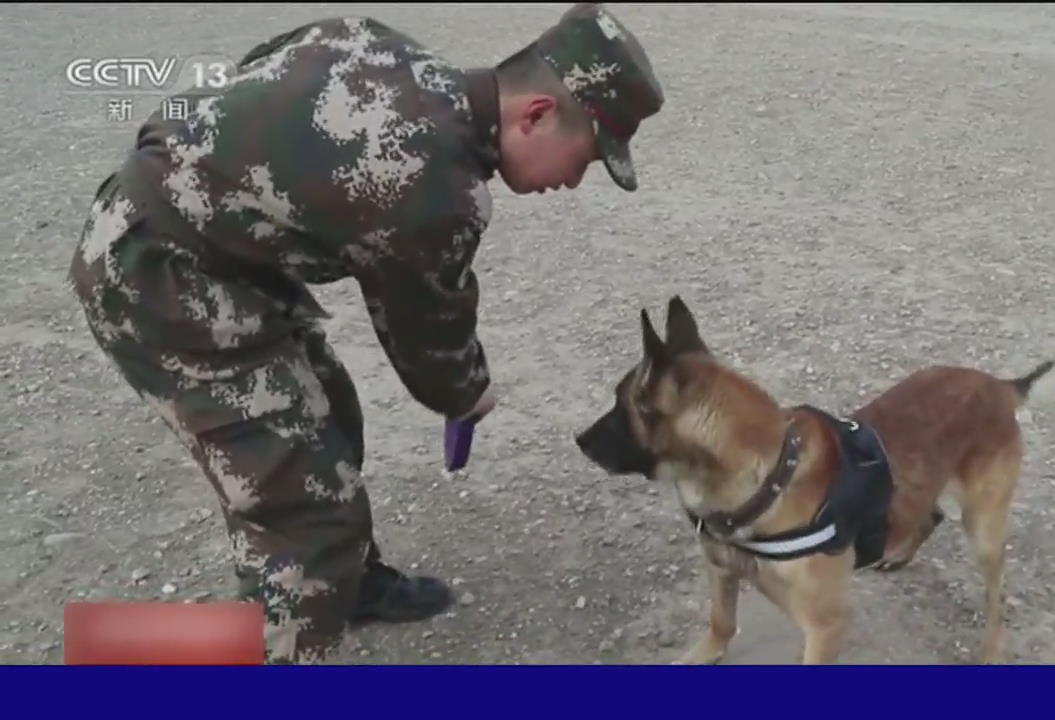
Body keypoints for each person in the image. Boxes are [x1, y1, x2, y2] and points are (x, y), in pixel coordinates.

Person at [66, 3, 664, 664]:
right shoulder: (437, 188)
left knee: (329, 405)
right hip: (162, 282)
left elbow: (258, 76)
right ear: (538, 114)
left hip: (217, 254)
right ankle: (204, 657)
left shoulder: (375, 45)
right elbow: (426, 337)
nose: (574, 181)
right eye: (585, 158)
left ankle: (349, 584)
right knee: (305, 518)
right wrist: (467, 394)